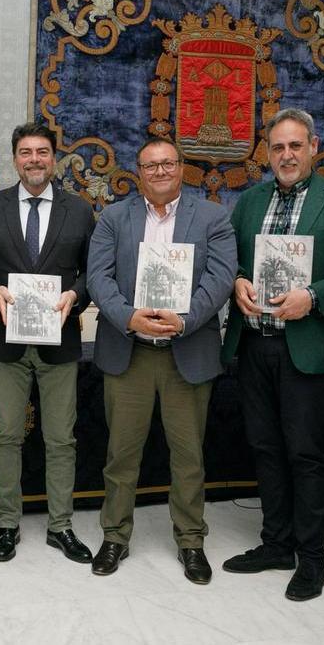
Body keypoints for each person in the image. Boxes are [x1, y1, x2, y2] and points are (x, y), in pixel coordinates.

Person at [220, 108, 324, 601]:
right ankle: (276, 544)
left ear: (313, 147)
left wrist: (315, 295)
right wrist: (238, 280)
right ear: (267, 152)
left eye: (295, 146)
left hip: (306, 347)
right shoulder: (249, 201)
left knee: (306, 455)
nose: (286, 155)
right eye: (278, 147)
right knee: (264, 449)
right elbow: (233, 260)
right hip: (254, 344)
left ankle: (312, 558)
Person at [85, 137, 237, 583]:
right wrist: (129, 317)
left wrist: (184, 319)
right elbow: (99, 276)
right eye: (151, 165)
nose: (160, 172)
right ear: (139, 171)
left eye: (168, 164)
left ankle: (191, 540)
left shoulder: (212, 217)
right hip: (129, 351)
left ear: (181, 167)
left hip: (186, 351)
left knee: (188, 456)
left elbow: (222, 276)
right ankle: (114, 536)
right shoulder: (114, 217)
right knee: (121, 454)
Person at [0, 123, 96, 565]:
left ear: (53, 157)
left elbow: (93, 271)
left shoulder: (78, 211)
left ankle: (61, 526)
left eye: (42, 152)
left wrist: (76, 295)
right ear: (14, 159)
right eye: (25, 152)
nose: (34, 159)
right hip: (7, 343)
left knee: (61, 439)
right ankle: (7, 524)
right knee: (6, 436)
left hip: (60, 342)